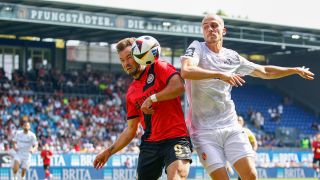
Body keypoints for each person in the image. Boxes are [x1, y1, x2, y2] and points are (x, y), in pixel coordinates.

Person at [180, 13, 314, 180]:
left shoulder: (232, 57)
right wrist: (220, 75)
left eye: (214, 25)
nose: (209, 29)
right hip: (203, 131)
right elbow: (186, 71)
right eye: (205, 26)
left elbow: (264, 72)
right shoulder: (197, 48)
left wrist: (293, 70)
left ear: (224, 30)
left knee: (251, 175)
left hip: (230, 125)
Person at [93, 37, 193, 180]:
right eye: (122, 60)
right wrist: (108, 152)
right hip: (150, 145)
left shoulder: (159, 66)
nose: (126, 63)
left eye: (129, 57)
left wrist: (152, 98)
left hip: (176, 138)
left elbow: (179, 87)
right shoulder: (131, 93)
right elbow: (131, 130)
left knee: (176, 176)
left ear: (139, 54)